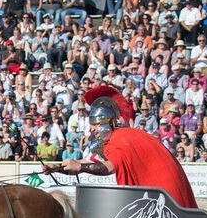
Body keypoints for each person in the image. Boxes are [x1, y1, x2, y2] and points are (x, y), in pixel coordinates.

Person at [43, 86, 198, 208]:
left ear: (107, 124)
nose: (92, 130)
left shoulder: (120, 139)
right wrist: (57, 167)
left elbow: (108, 167)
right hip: (162, 190)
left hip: (167, 192)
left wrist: (80, 167)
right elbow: (89, 160)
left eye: (96, 125)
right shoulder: (115, 139)